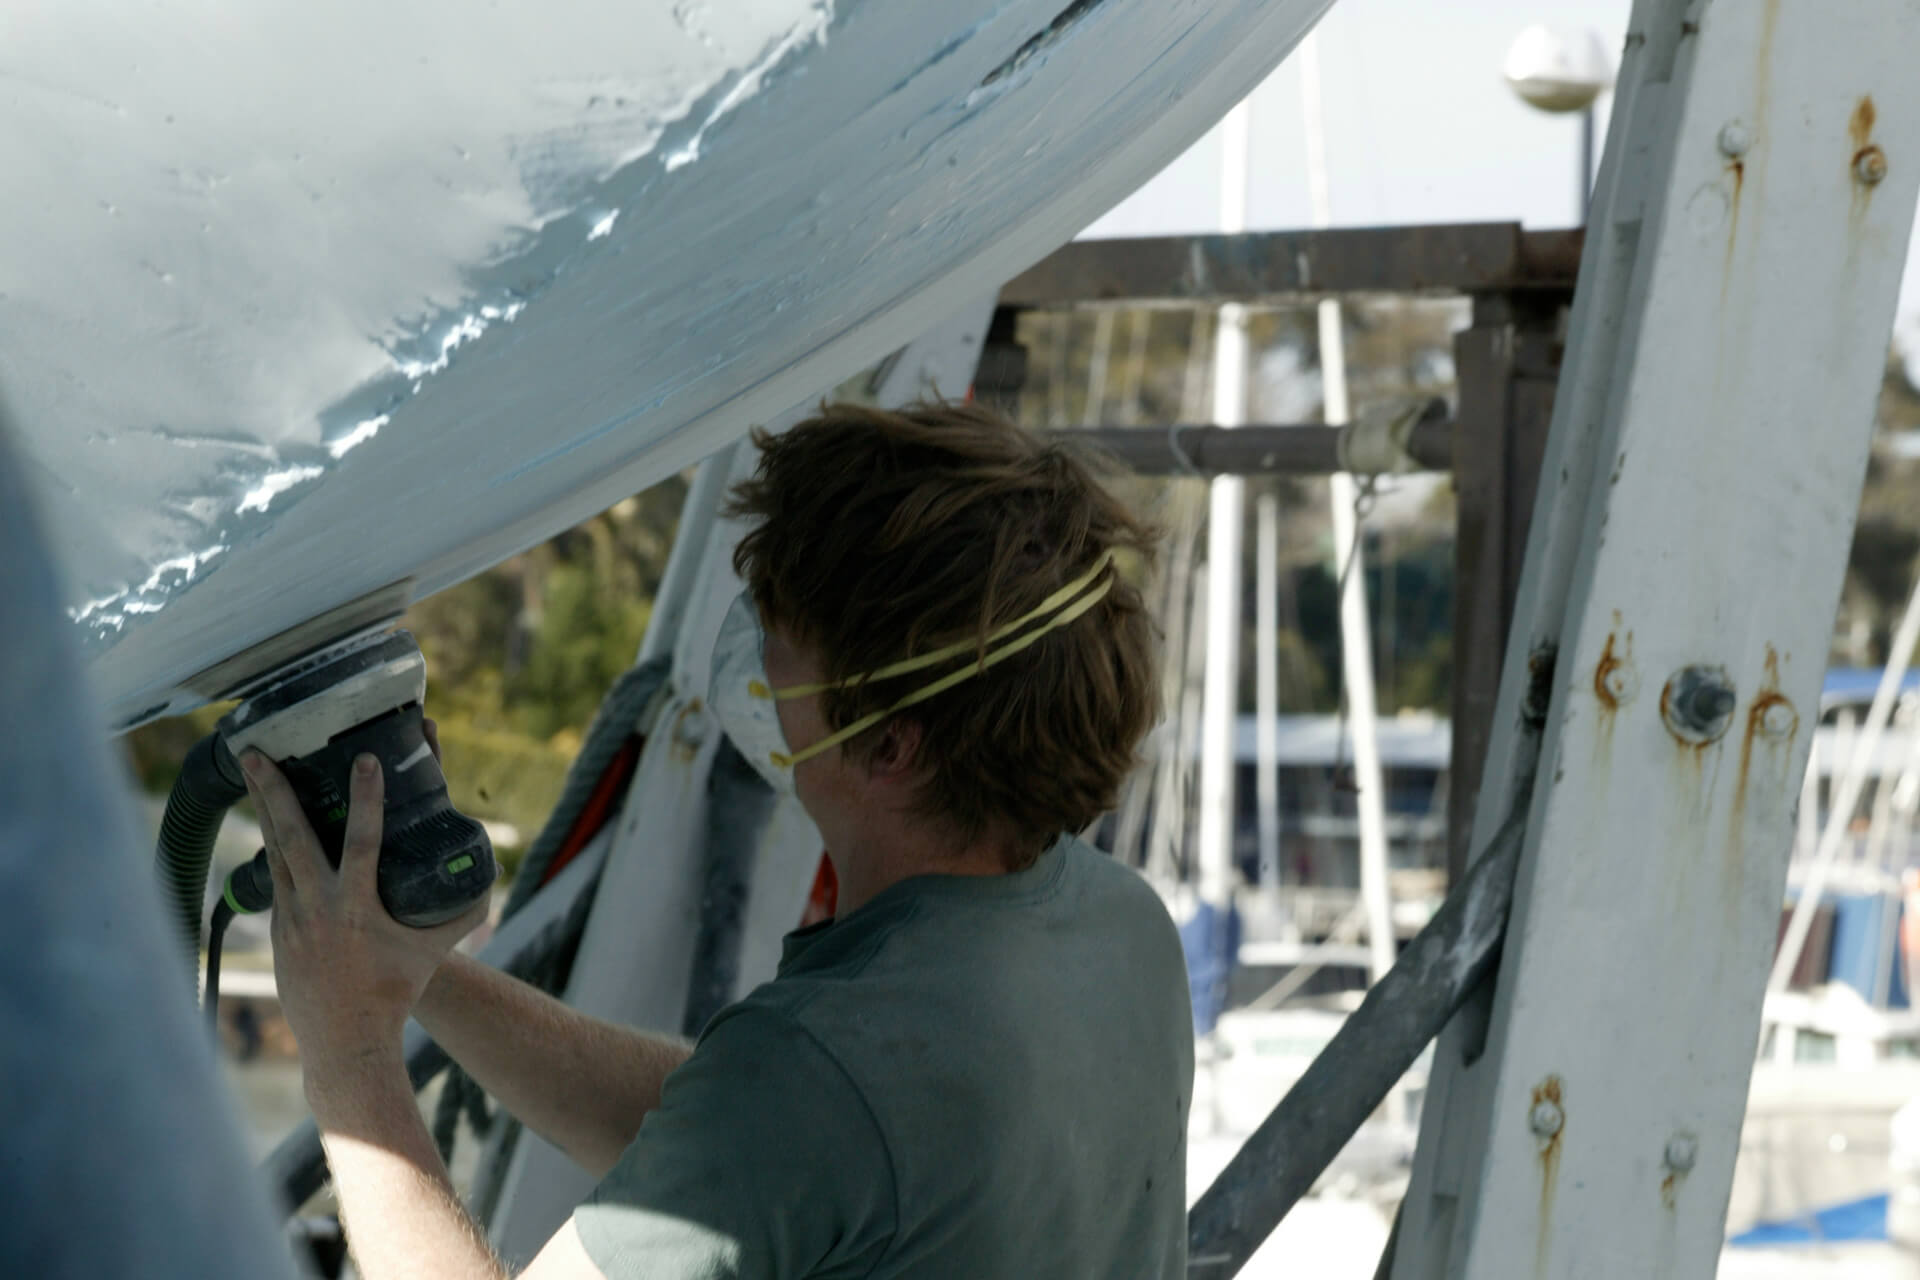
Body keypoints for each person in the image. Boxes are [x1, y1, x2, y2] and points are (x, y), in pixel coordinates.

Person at [239, 399, 1194, 1279]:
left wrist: (347, 1051)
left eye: (784, 630)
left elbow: (787, 1124)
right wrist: (417, 977)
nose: (758, 655)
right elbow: (743, 1142)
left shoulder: (823, 1076)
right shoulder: (1115, 927)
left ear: (892, 744)